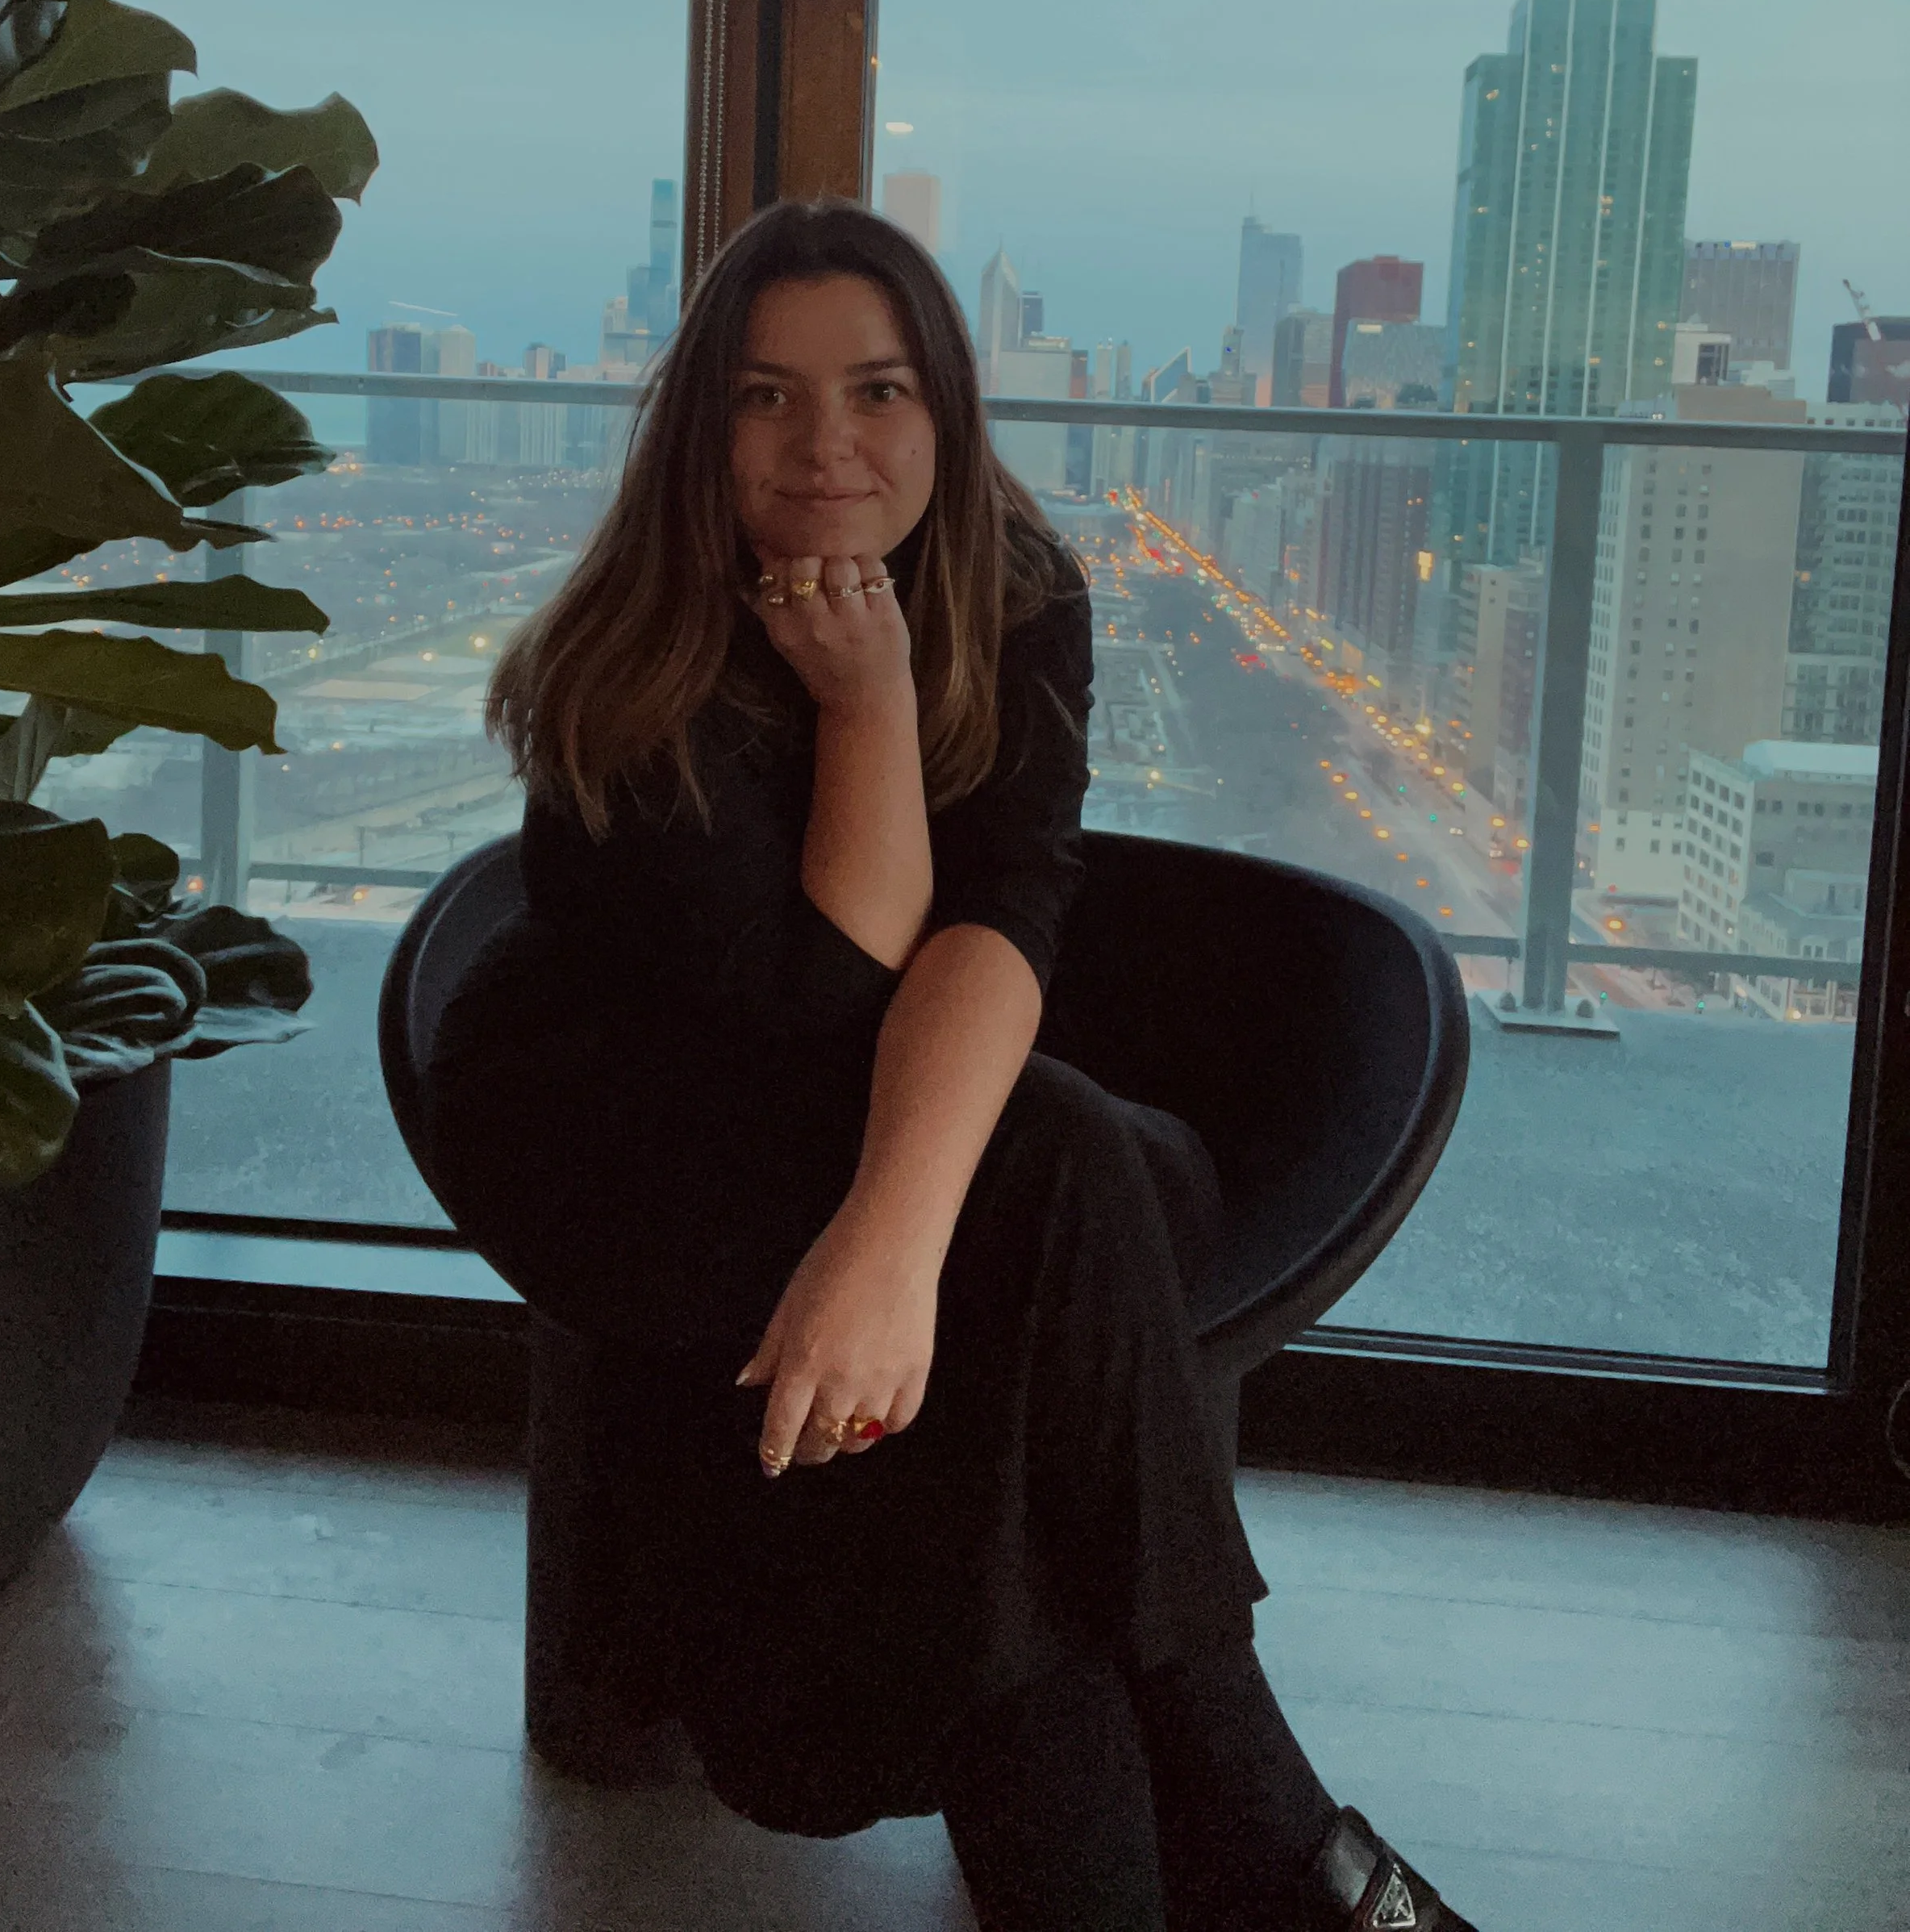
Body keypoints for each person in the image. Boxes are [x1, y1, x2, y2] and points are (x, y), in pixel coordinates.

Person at [421, 197, 1480, 1932]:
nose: (824, 444)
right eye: (765, 395)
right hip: (623, 1128)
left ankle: (1229, 1818)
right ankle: (1261, 1808)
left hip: (845, 1127)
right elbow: (819, 1000)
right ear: (703, 421)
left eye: (877, 389)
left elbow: (1006, 916)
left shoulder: (1013, 586)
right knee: (1076, 1167)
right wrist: (866, 705)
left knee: (1044, 1256)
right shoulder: (639, 658)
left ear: (946, 408)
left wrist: (892, 1254)